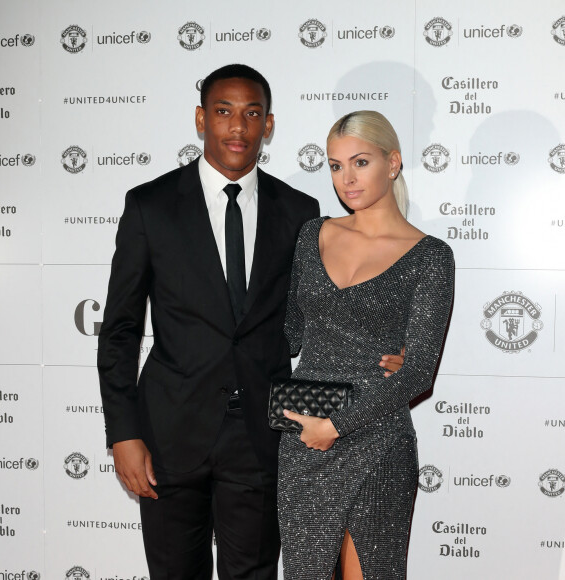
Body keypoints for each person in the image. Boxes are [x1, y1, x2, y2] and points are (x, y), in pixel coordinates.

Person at [97, 65, 405, 579]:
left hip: (264, 438)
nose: (238, 126)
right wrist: (122, 433)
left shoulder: (302, 213)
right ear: (201, 119)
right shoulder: (150, 206)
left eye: (252, 113)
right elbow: (120, 331)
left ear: (269, 125)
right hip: (169, 434)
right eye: (223, 112)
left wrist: (383, 352)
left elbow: (318, 317)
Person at [278, 110, 454, 580]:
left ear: (392, 163)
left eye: (360, 162)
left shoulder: (431, 256)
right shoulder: (313, 234)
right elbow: (289, 333)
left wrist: (336, 424)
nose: (347, 179)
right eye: (336, 166)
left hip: (377, 436)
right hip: (305, 439)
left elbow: (417, 372)